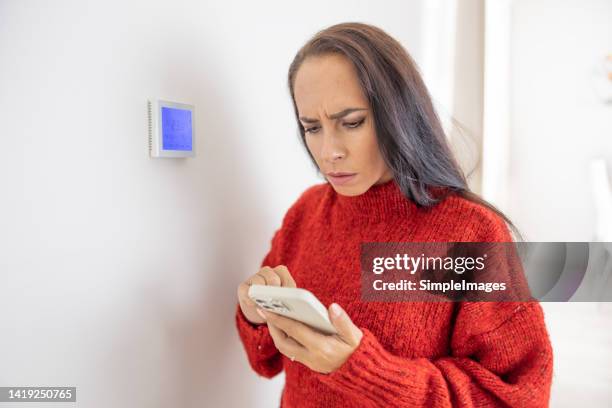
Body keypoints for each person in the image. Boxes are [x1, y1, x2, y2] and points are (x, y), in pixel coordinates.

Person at [235, 22, 553, 407]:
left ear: (398, 114)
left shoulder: (469, 232)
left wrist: (362, 369)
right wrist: (255, 313)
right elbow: (264, 361)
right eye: (312, 127)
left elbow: (518, 397)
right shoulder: (306, 212)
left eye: (351, 122)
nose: (329, 151)